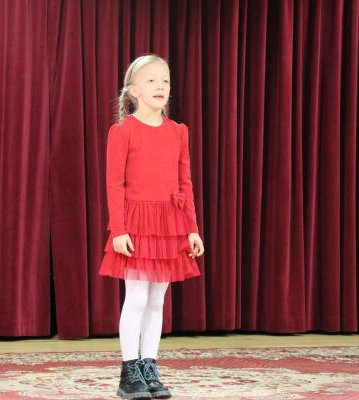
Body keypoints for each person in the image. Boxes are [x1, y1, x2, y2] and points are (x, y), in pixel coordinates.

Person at [99, 54, 205, 399]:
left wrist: (191, 228)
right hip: (136, 224)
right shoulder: (123, 132)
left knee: (158, 299)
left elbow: (184, 183)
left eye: (165, 80)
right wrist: (119, 230)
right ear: (133, 90)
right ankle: (129, 372)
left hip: (169, 223)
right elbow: (114, 185)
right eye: (151, 80)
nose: (160, 86)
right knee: (137, 296)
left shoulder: (178, 132)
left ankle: (149, 366)